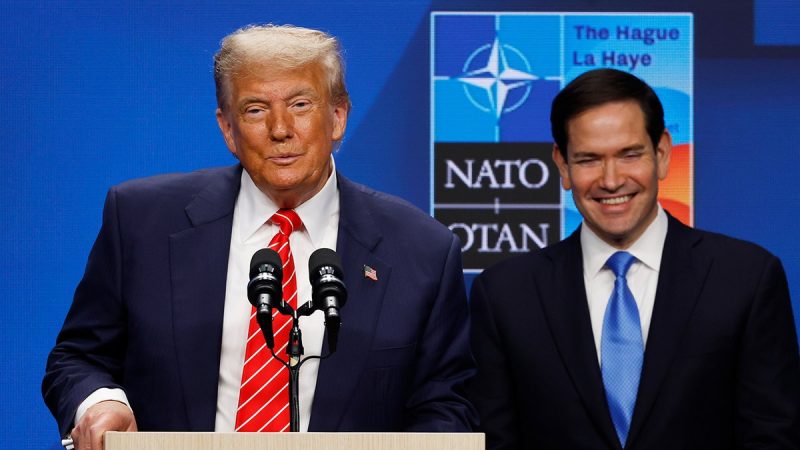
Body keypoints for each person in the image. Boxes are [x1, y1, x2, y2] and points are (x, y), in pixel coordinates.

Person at [43, 24, 476, 449]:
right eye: (255, 109)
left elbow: (445, 405)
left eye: (301, 104)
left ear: (338, 117)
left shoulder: (422, 251)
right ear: (227, 129)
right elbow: (79, 357)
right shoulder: (142, 222)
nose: (280, 129)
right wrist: (99, 403)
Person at [468, 68, 800, 449]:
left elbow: (773, 439)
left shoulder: (745, 280)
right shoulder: (506, 295)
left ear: (662, 154)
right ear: (562, 165)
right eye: (589, 159)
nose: (611, 180)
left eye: (629, 155)